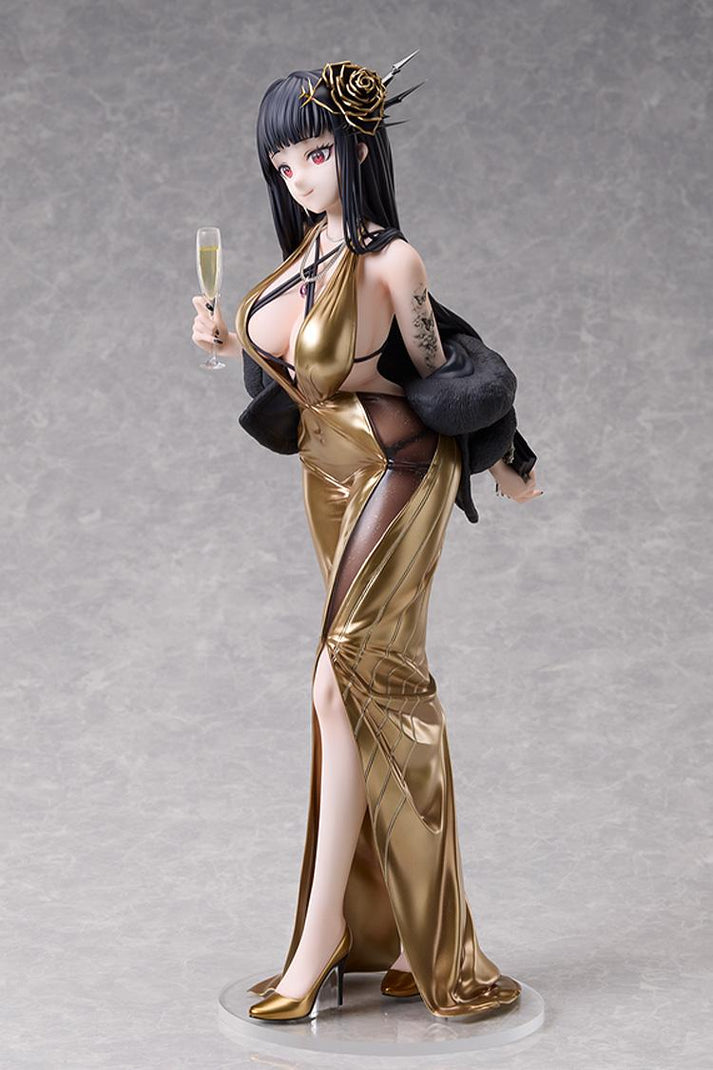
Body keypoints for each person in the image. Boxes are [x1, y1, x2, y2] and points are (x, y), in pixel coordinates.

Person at [192, 57, 543, 1024]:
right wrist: (230, 344)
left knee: (339, 677)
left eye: (314, 153)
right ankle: (368, 931)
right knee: (351, 698)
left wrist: (503, 456)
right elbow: (298, 368)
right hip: (328, 476)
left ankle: (320, 946)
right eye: (282, 163)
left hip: (399, 467)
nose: (299, 175)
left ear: (356, 146)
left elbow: (441, 375)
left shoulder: (393, 262)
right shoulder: (300, 254)